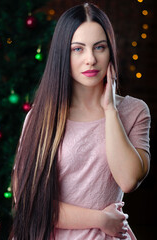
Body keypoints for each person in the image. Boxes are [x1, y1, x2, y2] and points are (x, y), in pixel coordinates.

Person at [9, 2, 151, 240]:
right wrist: (100, 219)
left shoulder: (134, 111)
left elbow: (128, 180)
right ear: (63, 54)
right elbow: (27, 201)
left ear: (110, 51)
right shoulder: (40, 117)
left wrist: (110, 111)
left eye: (99, 47)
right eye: (78, 49)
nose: (90, 60)